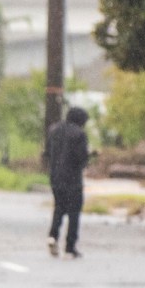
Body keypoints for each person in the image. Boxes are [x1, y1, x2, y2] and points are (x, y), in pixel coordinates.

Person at [44, 105, 91, 258]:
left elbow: (47, 153)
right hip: (73, 179)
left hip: (55, 177)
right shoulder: (79, 134)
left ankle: (53, 236)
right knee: (74, 212)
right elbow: (81, 158)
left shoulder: (53, 130)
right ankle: (70, 247)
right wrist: (89, 157)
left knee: (59, 208)